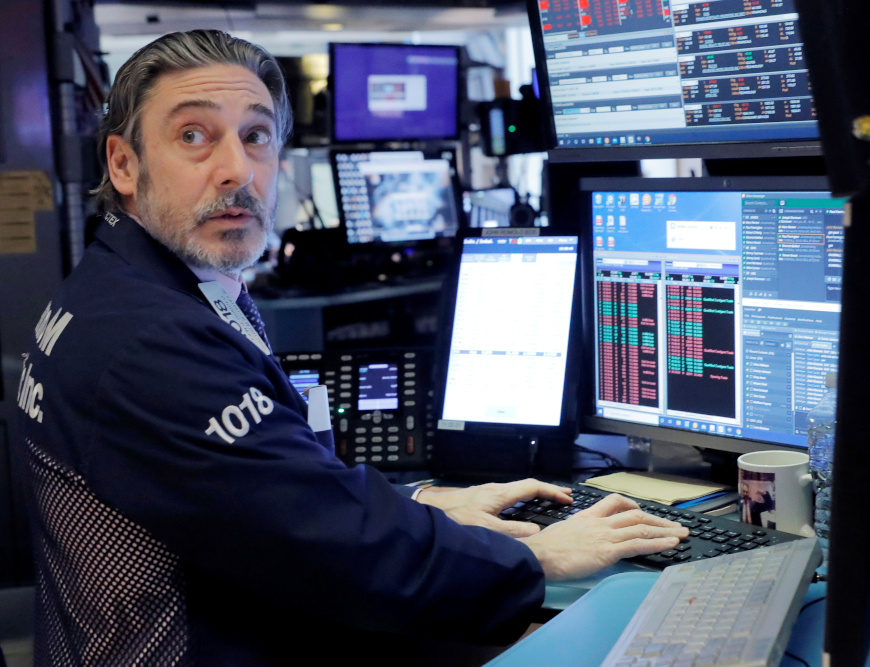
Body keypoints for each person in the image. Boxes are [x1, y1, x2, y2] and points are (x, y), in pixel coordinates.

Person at [15, 30, 688, 665]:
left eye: (256, 137)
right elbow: (327, 544)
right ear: (124, 163)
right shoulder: (149, 341)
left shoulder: (120, 286)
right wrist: (538, 557)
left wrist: (428, 502)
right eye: (194, 136)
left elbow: (268, 488)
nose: (235, 170)